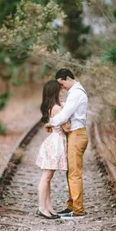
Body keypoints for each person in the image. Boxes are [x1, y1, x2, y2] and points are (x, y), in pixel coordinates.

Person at [46, 68, 88, 219]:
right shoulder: (75, 92)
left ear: (68, 78)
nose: (61, 87)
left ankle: (77, 210)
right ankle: (72, 206)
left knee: (74, 173)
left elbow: (65, 115)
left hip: (77, 135)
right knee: (71, 172)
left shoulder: (76, 92)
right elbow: (68, 109)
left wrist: (50, 123)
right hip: (75, 135)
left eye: (62, 83)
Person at [36, 79, 70, 220]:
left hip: (53, 141)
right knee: (46, 177)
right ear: (55, 91)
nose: (62, 90)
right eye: (59, 88)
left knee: (48, 178)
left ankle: (48, 207)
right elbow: (67, 127)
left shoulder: (54, 106)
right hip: (55, 143)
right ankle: (42, 207)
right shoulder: (57, 108)